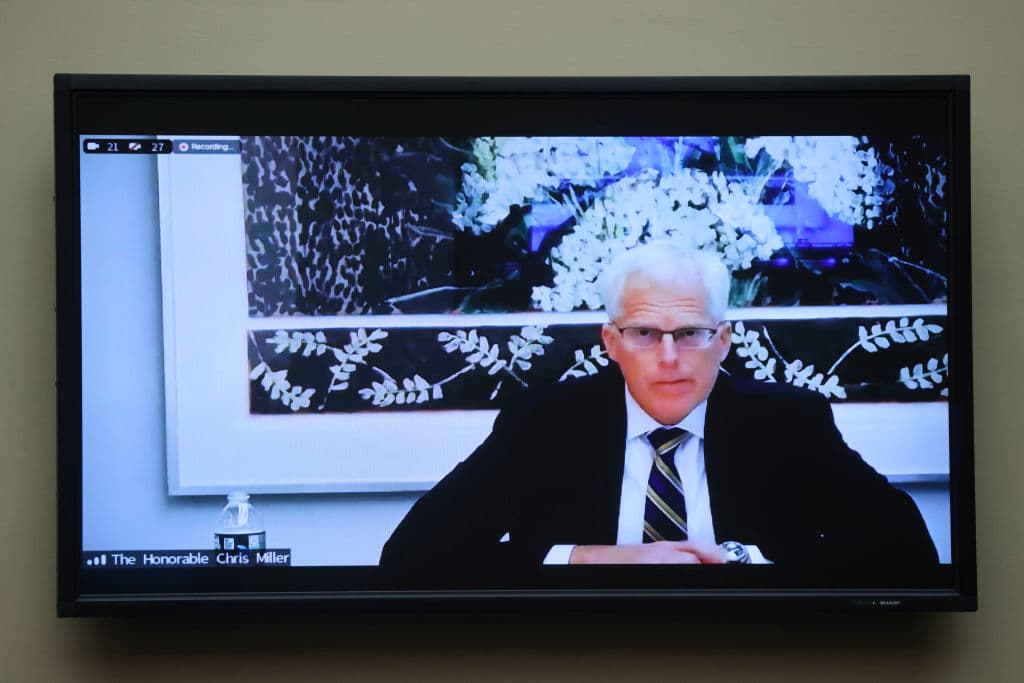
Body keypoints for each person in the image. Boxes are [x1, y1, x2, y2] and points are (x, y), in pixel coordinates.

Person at [379, 241, 938, 571]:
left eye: (691, 333)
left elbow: (907, 551)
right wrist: (587, 558)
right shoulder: (545, 423)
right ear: (611, 343)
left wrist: (743, 559)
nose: (669, 357)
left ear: (723, 341)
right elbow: (412, 554)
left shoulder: (788, 422)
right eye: (644, 333)